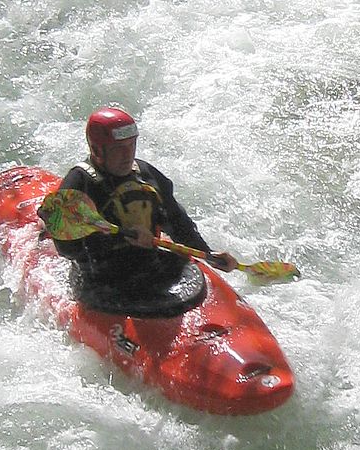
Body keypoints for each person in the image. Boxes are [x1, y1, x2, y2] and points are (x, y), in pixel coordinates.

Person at [46, 107, 238, 318]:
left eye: (132, 145)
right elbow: (67, 248)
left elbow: (176, 220)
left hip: (148, 266)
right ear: (98, 151)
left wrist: (207, 253)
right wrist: (122, 236)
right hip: (102, 279)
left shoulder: (146, 175)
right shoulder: (78, 185)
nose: (128, 155)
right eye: (118, 149)